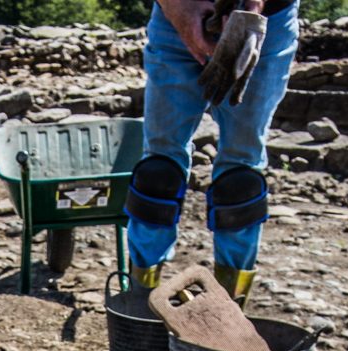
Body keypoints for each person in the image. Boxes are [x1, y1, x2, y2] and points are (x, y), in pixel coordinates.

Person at [125, 0, 301, 304]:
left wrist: (253, 5)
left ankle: (229, 312)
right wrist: (176, 7)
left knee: (240, 181)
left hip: (266, 20)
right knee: (158, 175)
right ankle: (140, 304)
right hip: (176, 15)